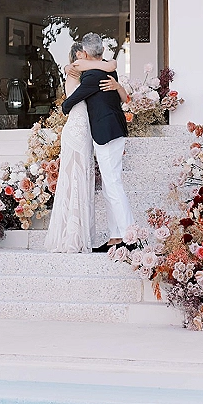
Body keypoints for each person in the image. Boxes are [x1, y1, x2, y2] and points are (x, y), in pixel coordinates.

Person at [61, 33, 134, 253]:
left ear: (84, 53)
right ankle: (116, 237)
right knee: (109, 186)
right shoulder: (107, 70)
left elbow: (68, 104)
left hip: (107, 133)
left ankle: (130, 236)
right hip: (111, 130)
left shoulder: (93, 76)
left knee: (113, 184)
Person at [44, 43, 117, 253]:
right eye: (84, 53)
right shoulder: (77, 68)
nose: (88, 57)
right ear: (78, 55)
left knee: (79, 180)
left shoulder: (80, 70)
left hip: (82, 129)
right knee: (74, 180)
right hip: (77, 130)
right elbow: (110, 65)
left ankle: (74, 234)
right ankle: (72, 237)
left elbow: (109, 65)